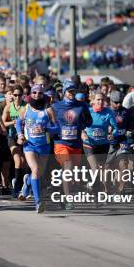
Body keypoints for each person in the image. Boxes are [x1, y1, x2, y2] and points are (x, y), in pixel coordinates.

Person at [15, 84, 58, 213]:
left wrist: (46, 129)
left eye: (39, 93)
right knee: (36, 169)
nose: (36, 95)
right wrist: (20, 134)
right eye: (34, 93)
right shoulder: (26, 108)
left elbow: (57, 128)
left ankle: (27, 182)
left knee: (39, 173)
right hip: (29, 145)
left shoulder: (48, 109)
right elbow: (18, 122)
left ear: (43, 94)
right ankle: (38, 202)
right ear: (30, 94)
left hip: (44, 145)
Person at [52, 80, 93, 210]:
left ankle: (61, 194)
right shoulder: (56, 107)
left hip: (75, 144)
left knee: (71, 174)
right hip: (61, 143)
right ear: (64, 92)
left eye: (74, 91)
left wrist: (81, 127)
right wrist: (55, 131)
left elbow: (89, 121)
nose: (72, 93)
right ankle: (69, 200)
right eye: (69, 91)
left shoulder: (81, 106)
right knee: (68, 168)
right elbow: (49, 122)